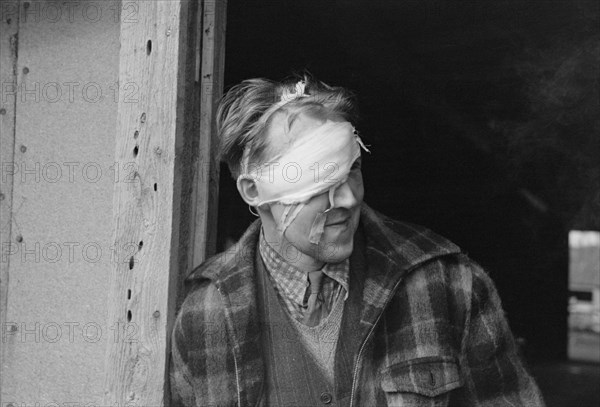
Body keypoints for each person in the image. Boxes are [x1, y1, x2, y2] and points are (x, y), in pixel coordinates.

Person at [170, 74, 545, 406]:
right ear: (254, 191)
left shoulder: (449, 285)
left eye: (353, 170)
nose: (349, 199)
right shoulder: (205, 315)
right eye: (321, 183)